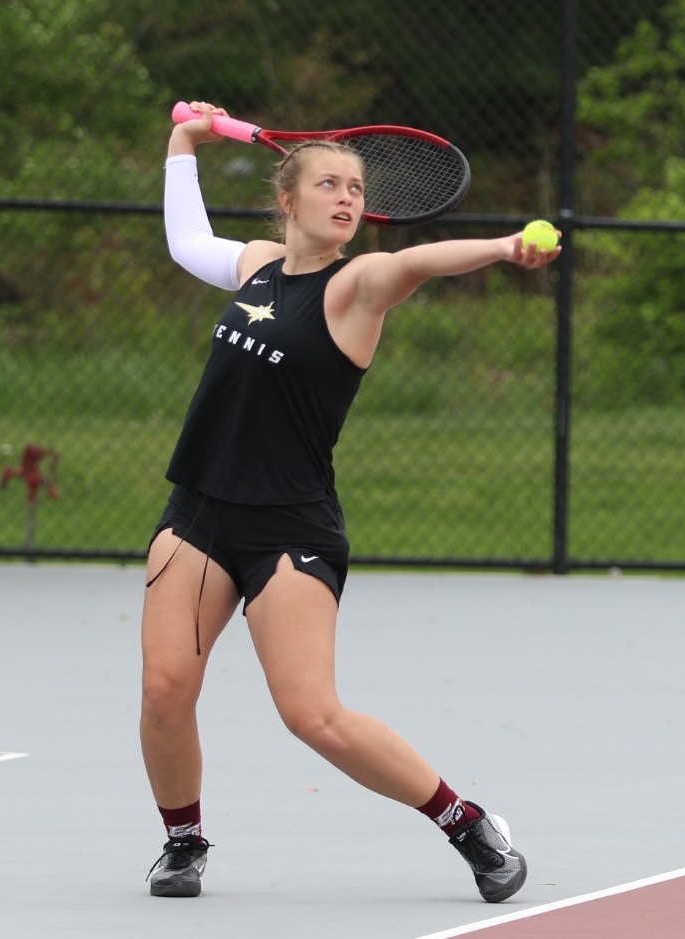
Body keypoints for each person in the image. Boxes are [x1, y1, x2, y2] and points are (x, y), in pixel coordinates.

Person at [141, 101, 560, 902]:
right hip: (198, 512)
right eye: (328, 183)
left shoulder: (358, 285)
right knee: (165, 689)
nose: (346, 197)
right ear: (288, 201)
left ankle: (466, 819)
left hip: (289, 528)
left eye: (357, 189)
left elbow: (424, 262)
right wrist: (182, 145)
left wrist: (507, 247)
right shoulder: (259, 263)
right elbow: (187, 242)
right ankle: (183, 840)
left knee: (312, 714)